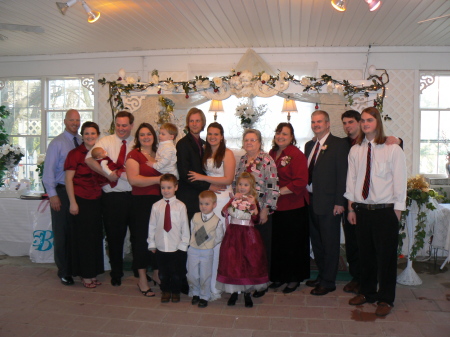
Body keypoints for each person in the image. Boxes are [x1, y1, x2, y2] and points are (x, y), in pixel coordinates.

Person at [345, 107, 406, 317]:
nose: (365, 124)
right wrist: (350, 207)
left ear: (377, 122)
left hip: (385, 212)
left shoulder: (392, 149)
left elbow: (400, 182)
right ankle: (367, 292)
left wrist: (397, 212)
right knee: (366, 256)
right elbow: (351, 181)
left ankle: (385, 298)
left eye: (369, 120)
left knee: (386, 259)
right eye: (362, 120)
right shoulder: (356, 150)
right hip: (362, 211)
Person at [85, 110, 134, 286]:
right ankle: (116, 272)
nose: (121, 128)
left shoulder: (137, 143)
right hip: (113, 198)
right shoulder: (105, 141)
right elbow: (89, 160)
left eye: (125, 125)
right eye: (118, 125)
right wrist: (107, 175)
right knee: (115, 237)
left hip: (134, 196)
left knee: (137, 236)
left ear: (131, 125)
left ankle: (139, 272)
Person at [187, 122, 235, 300]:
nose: (213, 137)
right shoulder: (205, 151)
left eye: (216, 134)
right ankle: (203, 283)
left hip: (222, 198)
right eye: (210, 134)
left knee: (217, 241)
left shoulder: (227, 153)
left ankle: (215, 284)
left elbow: (228, 178)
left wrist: (202, 177)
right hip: (208, 197)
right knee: (205, 239)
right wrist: (207, 184)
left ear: (222, 136)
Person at [305, 110, 349, 296]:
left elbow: (343, 175)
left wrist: (340, 202)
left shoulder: (338, 144)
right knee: (317, 242)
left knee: (330, 243)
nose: (316, 125)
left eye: (320, 122)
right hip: (312, 201)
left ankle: (329, 281)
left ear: (328, 123)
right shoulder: (309, 145)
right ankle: (321, 275)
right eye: (313, 122)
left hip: (331, 203)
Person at [234, 129, 279, 298]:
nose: (249, 143)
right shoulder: (243, 160)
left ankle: (262, 284)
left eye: (253, 140)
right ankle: (247, 280)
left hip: (260, 212)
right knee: (247, 248)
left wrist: (266, 209)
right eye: (246, 140)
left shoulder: (267, 160)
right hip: (243, 214)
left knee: (261, 249)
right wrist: (237, 204)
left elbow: (273, 187)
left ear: (260, 142)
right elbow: (235, 183)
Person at [217, 172, 269, 308]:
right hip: (233, 234)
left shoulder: (253, 200)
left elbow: (256, 220)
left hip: (248, 235)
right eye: (240, 184)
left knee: (248, 262)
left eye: (245, 185)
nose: (242, 187)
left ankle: (247, 293)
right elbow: (224, 212)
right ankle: (234, 292)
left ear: (251, 186)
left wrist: (254, 205)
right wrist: (232, 200)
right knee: (233, 262)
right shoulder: (234, 198)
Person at [268, 123, 310, 294]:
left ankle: (294, 278)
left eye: (285, 134)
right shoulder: (271, 153)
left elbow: (300, 181)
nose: (281, 136)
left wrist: (278, 192)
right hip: (276, 207)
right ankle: (279, 276)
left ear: (292, 137)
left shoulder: (296, 155)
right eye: (278, 133)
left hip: (294, 206)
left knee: (293, 244)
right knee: (278, 244)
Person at [42, 109, 81, 286]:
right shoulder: (57, 143)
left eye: (77, 120)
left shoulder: (80, 141)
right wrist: (53, 195)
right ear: (65, 121)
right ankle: (64, 271)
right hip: (61, 192)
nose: (75, 123)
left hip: (77, 192)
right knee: (62, 234)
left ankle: (74, 268)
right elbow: (48, 172)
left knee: (74, 233)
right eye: (71, 120)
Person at [64, 121, 104, 288]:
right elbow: (68, 180)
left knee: (95, 238)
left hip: (97, 200)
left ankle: (92, 273)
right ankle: (86, 275)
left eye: (93, 133)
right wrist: (73, 202)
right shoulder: (75, 154)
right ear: (82, 136)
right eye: (86, 133)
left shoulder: (100, 154)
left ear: (98, 135)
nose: (89, 136)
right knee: (84, 240)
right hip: (81, 200)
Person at [125, 123, 162, 297]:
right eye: (142, 135)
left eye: (149, 134)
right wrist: (158, 179)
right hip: (141, 202)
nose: (146, 137)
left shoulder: (160, 154)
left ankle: (156, 273)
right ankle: (142, 279)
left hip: (160, 202)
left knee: (158, 239)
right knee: (141, 241)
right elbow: (134, 180)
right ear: (138, 138)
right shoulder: (134, 155)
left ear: (153, 136)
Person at [176, 108, 224, 221]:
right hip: (188, 194)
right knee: (191, 230)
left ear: (202, 123)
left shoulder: (204, 143)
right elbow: (185, 173)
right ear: (188, 123)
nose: (194, 124)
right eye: (191, 121)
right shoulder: (182, 144)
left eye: (197, 121)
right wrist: (208, 186)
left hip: (203, 195)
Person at [148, 174, 190, 303]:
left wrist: (183, 245)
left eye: (169, 187)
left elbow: (185, 226)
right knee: (163, 273)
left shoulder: (181, 206)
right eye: (163, 188)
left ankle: (176, 292)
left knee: (177, 273)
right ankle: (165, 291)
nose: (166, 190)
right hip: (161, 246)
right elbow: (152, 225)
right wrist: (152, 243)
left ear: (176, 187)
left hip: (176, 246)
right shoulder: (156, 206)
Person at [187, 190, 224, 308]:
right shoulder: (195, 216)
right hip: (193, 249)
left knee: (205, 275)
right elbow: (192, 229)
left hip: (207, 251)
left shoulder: (217, 221)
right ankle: (195, 293)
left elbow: (219, 236)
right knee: (192, 274)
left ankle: (204, 296)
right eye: (201, 203)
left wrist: (210, 244)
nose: (203, 206)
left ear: (214, 205)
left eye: (207, 204)